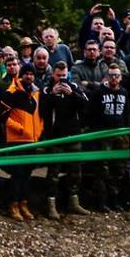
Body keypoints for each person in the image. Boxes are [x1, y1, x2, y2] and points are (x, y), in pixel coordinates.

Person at [40, 61, 91, 218]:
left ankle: (73, 202)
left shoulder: (74, 87)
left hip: (73, 135)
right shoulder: (46, 89)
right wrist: (52, 95)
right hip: (55, 137)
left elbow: (86, 106)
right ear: (53, 74)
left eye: (64, 75)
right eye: (58, 76)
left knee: (75, 170)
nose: (61, 79)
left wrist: (72, 94)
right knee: (53, 171)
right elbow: (41, 110)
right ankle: (51, 204)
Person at [0, 63, 43, 221]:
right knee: (17, 173)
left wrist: (38, 131)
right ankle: (12, 204)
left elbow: (40, 115)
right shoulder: (12, 92)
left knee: (27, 173)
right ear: (21, 75)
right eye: (26, 74)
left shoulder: (36, 93)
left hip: (32, 140)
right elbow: (3, 115)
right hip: (17, 140)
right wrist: (19, 128)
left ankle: (24, 203)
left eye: (32, 74)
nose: (29, 77)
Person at [85, 63, 130, 212]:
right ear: (106, 76)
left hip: (120, 135)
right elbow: (91, 113)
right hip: (103, 134)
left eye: (116, 75)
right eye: (111, 75)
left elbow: (128, 113)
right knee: (102, 169)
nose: (114, 78)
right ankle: (101, 202)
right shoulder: (99, 92)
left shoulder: (124, 92)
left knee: (119, 169)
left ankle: (116, 200)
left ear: (121, 77)